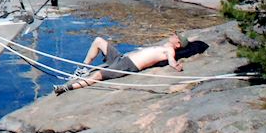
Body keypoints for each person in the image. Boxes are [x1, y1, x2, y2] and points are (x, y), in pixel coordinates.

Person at [54, 33, 184, 94]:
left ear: (177, 44)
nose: (173, 34)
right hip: (121, 58)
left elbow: (171, 60)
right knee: (98, 41)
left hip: (128, 65)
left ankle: (67, 88)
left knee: (98, 74)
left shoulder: (169, 50)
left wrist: (176, 65)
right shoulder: (164, 46)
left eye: (176, 36)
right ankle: (82, 68)